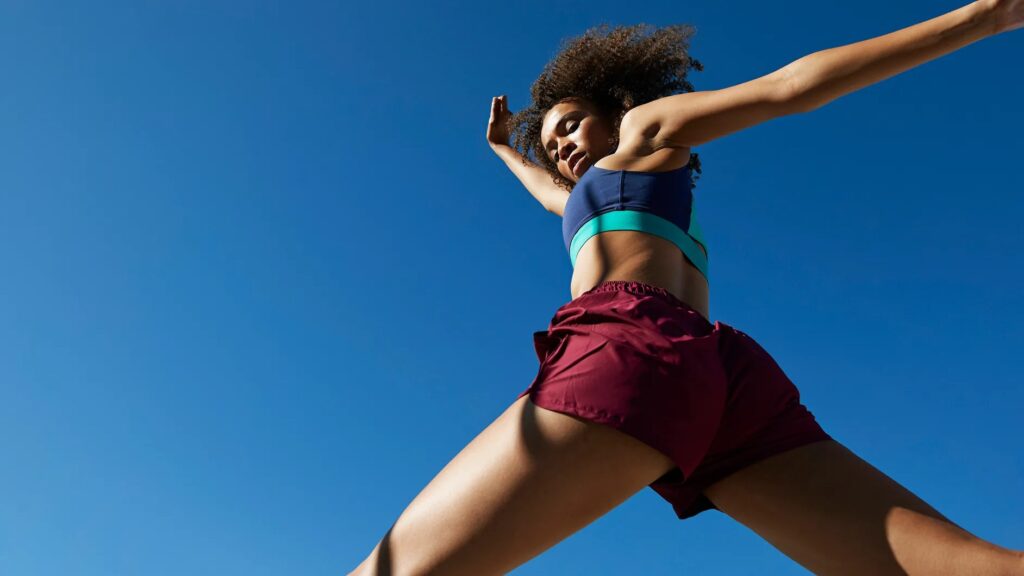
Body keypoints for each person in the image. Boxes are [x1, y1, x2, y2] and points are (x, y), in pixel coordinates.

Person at [351, 2, 1024, 574]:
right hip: (723, 382)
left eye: (571, 126)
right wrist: (504, 150)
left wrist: (983, 16)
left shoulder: (646, 133)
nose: (561, 147)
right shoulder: (608, 196)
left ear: (617, 113)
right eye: (551, 143)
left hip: (630, 349)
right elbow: (552, 198)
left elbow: (791, 85)